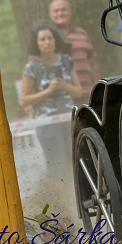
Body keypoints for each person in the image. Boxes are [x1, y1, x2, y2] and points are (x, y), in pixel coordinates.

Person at [19, 23, 82, 176]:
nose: (47, 42)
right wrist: (49, 90)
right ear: (37, 44)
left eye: (50, 38)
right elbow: (23, 100)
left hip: (69, 119)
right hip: (46, 124)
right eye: (42, 39)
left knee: (78, 161)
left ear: (55, 40)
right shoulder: (32, 67)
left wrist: (65, 87)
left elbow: (79, 92)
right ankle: (61, 196)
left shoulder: (66, 60)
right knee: (57, 167)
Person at [48, 0, 99, 99]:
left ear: (70, 12)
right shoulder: (46, 37)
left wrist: (99, 88)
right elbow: (35, 66)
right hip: (60, 97)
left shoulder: (82, 33)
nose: (60, 13)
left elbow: (92, 64)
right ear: (50, 14)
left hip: (87, 93)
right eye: (56, 11)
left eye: (63, 9)